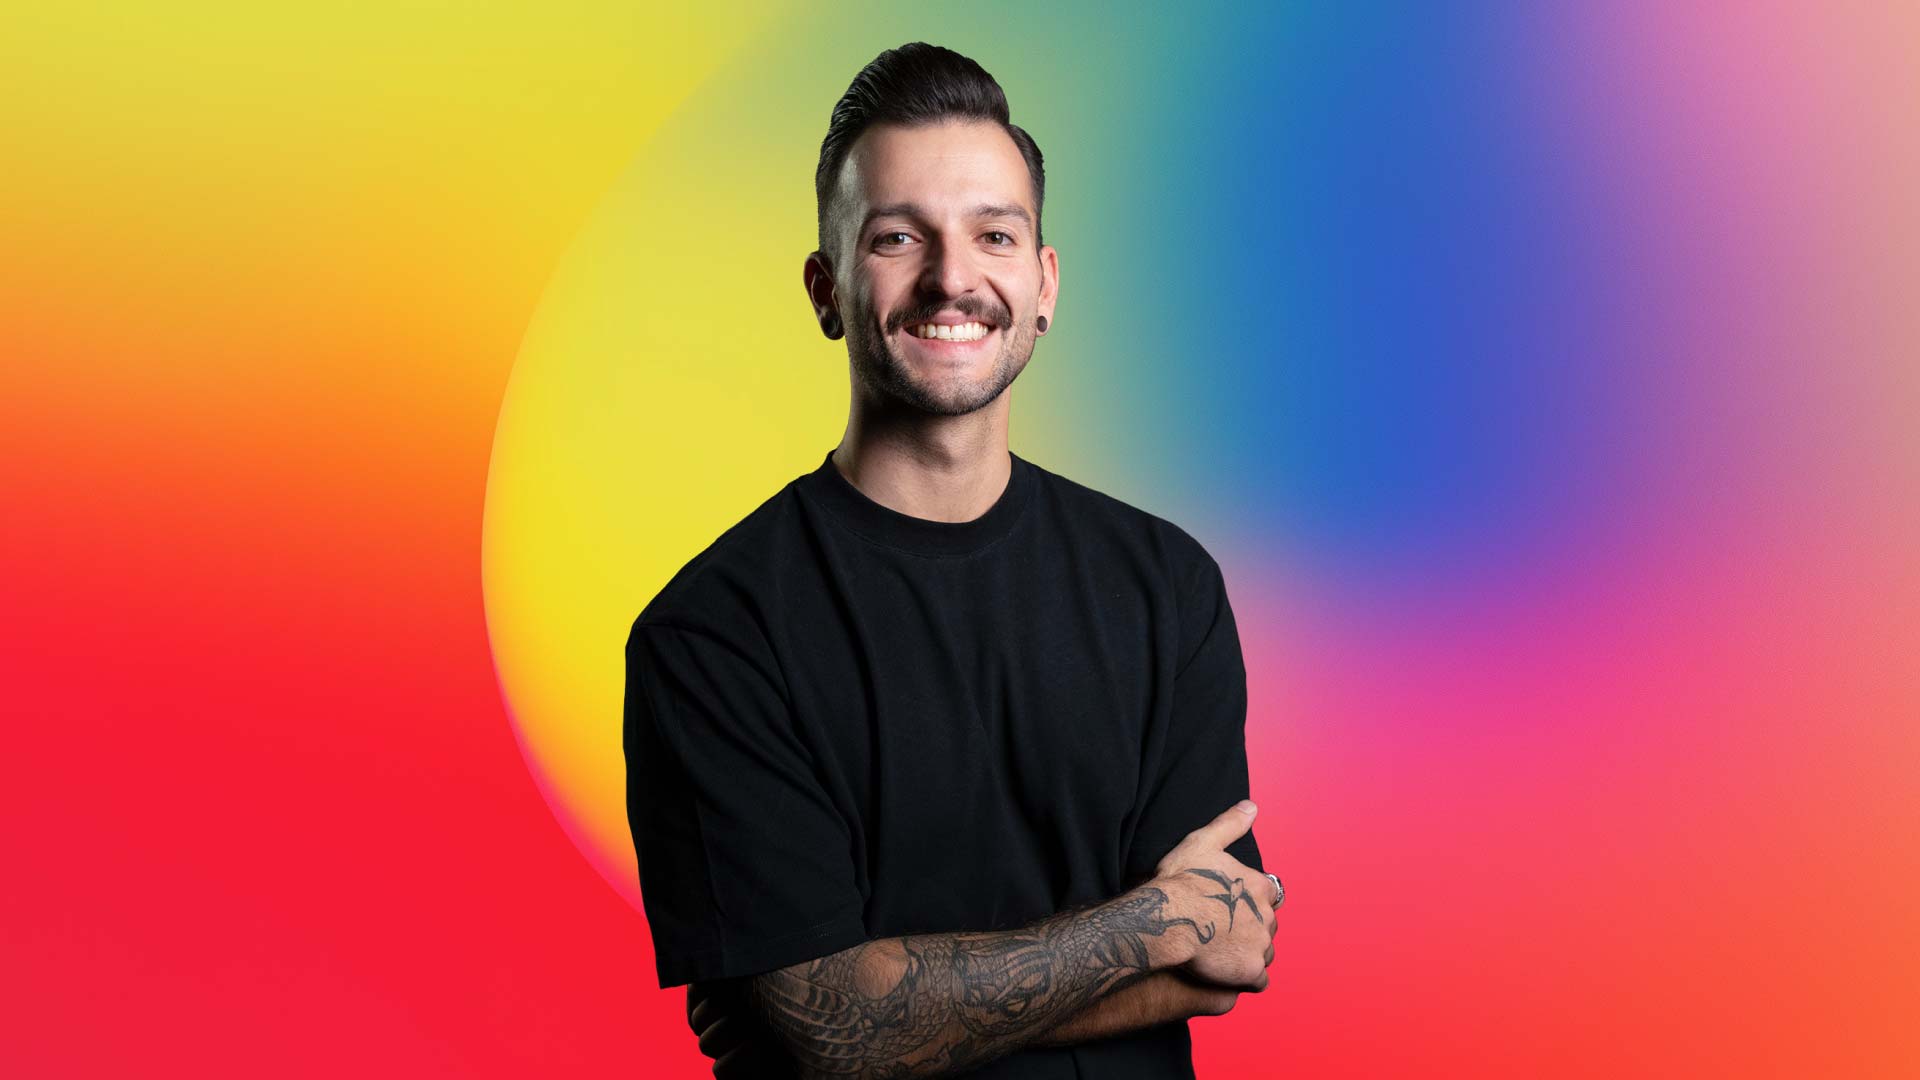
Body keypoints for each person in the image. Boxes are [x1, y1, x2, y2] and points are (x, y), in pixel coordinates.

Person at [624, 42, 1283, 1078]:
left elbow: (1229, 952)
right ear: (826, 287)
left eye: (994, 234)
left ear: (1044, 282)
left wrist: (868, 1016)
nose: (952, 277)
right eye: (897, 237)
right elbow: (829, 1032)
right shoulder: (715, 632)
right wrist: (1156, 920)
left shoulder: (1166, 587)